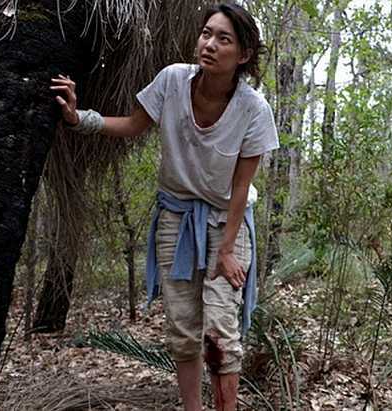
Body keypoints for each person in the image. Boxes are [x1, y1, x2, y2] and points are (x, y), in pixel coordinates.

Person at [50, 4, 278, 411]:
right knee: (182, 327)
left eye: (223, 39)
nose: (208, 44)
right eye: (206, 33)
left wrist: (226, 252)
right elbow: (133, 125)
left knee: (221, 330)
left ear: (243, 55)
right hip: (175, 216)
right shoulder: (173, 80)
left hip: (228, 223)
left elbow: (241, 187)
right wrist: (77, 117)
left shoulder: (253, 109)